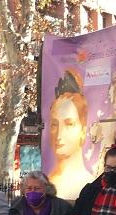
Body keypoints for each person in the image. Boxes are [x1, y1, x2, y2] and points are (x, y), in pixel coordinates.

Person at [47, 69, 91, 200]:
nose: (59, 134)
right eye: (54, 124)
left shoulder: (90, 185)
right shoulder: (44, 184)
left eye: (69, 124)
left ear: (83, 131)